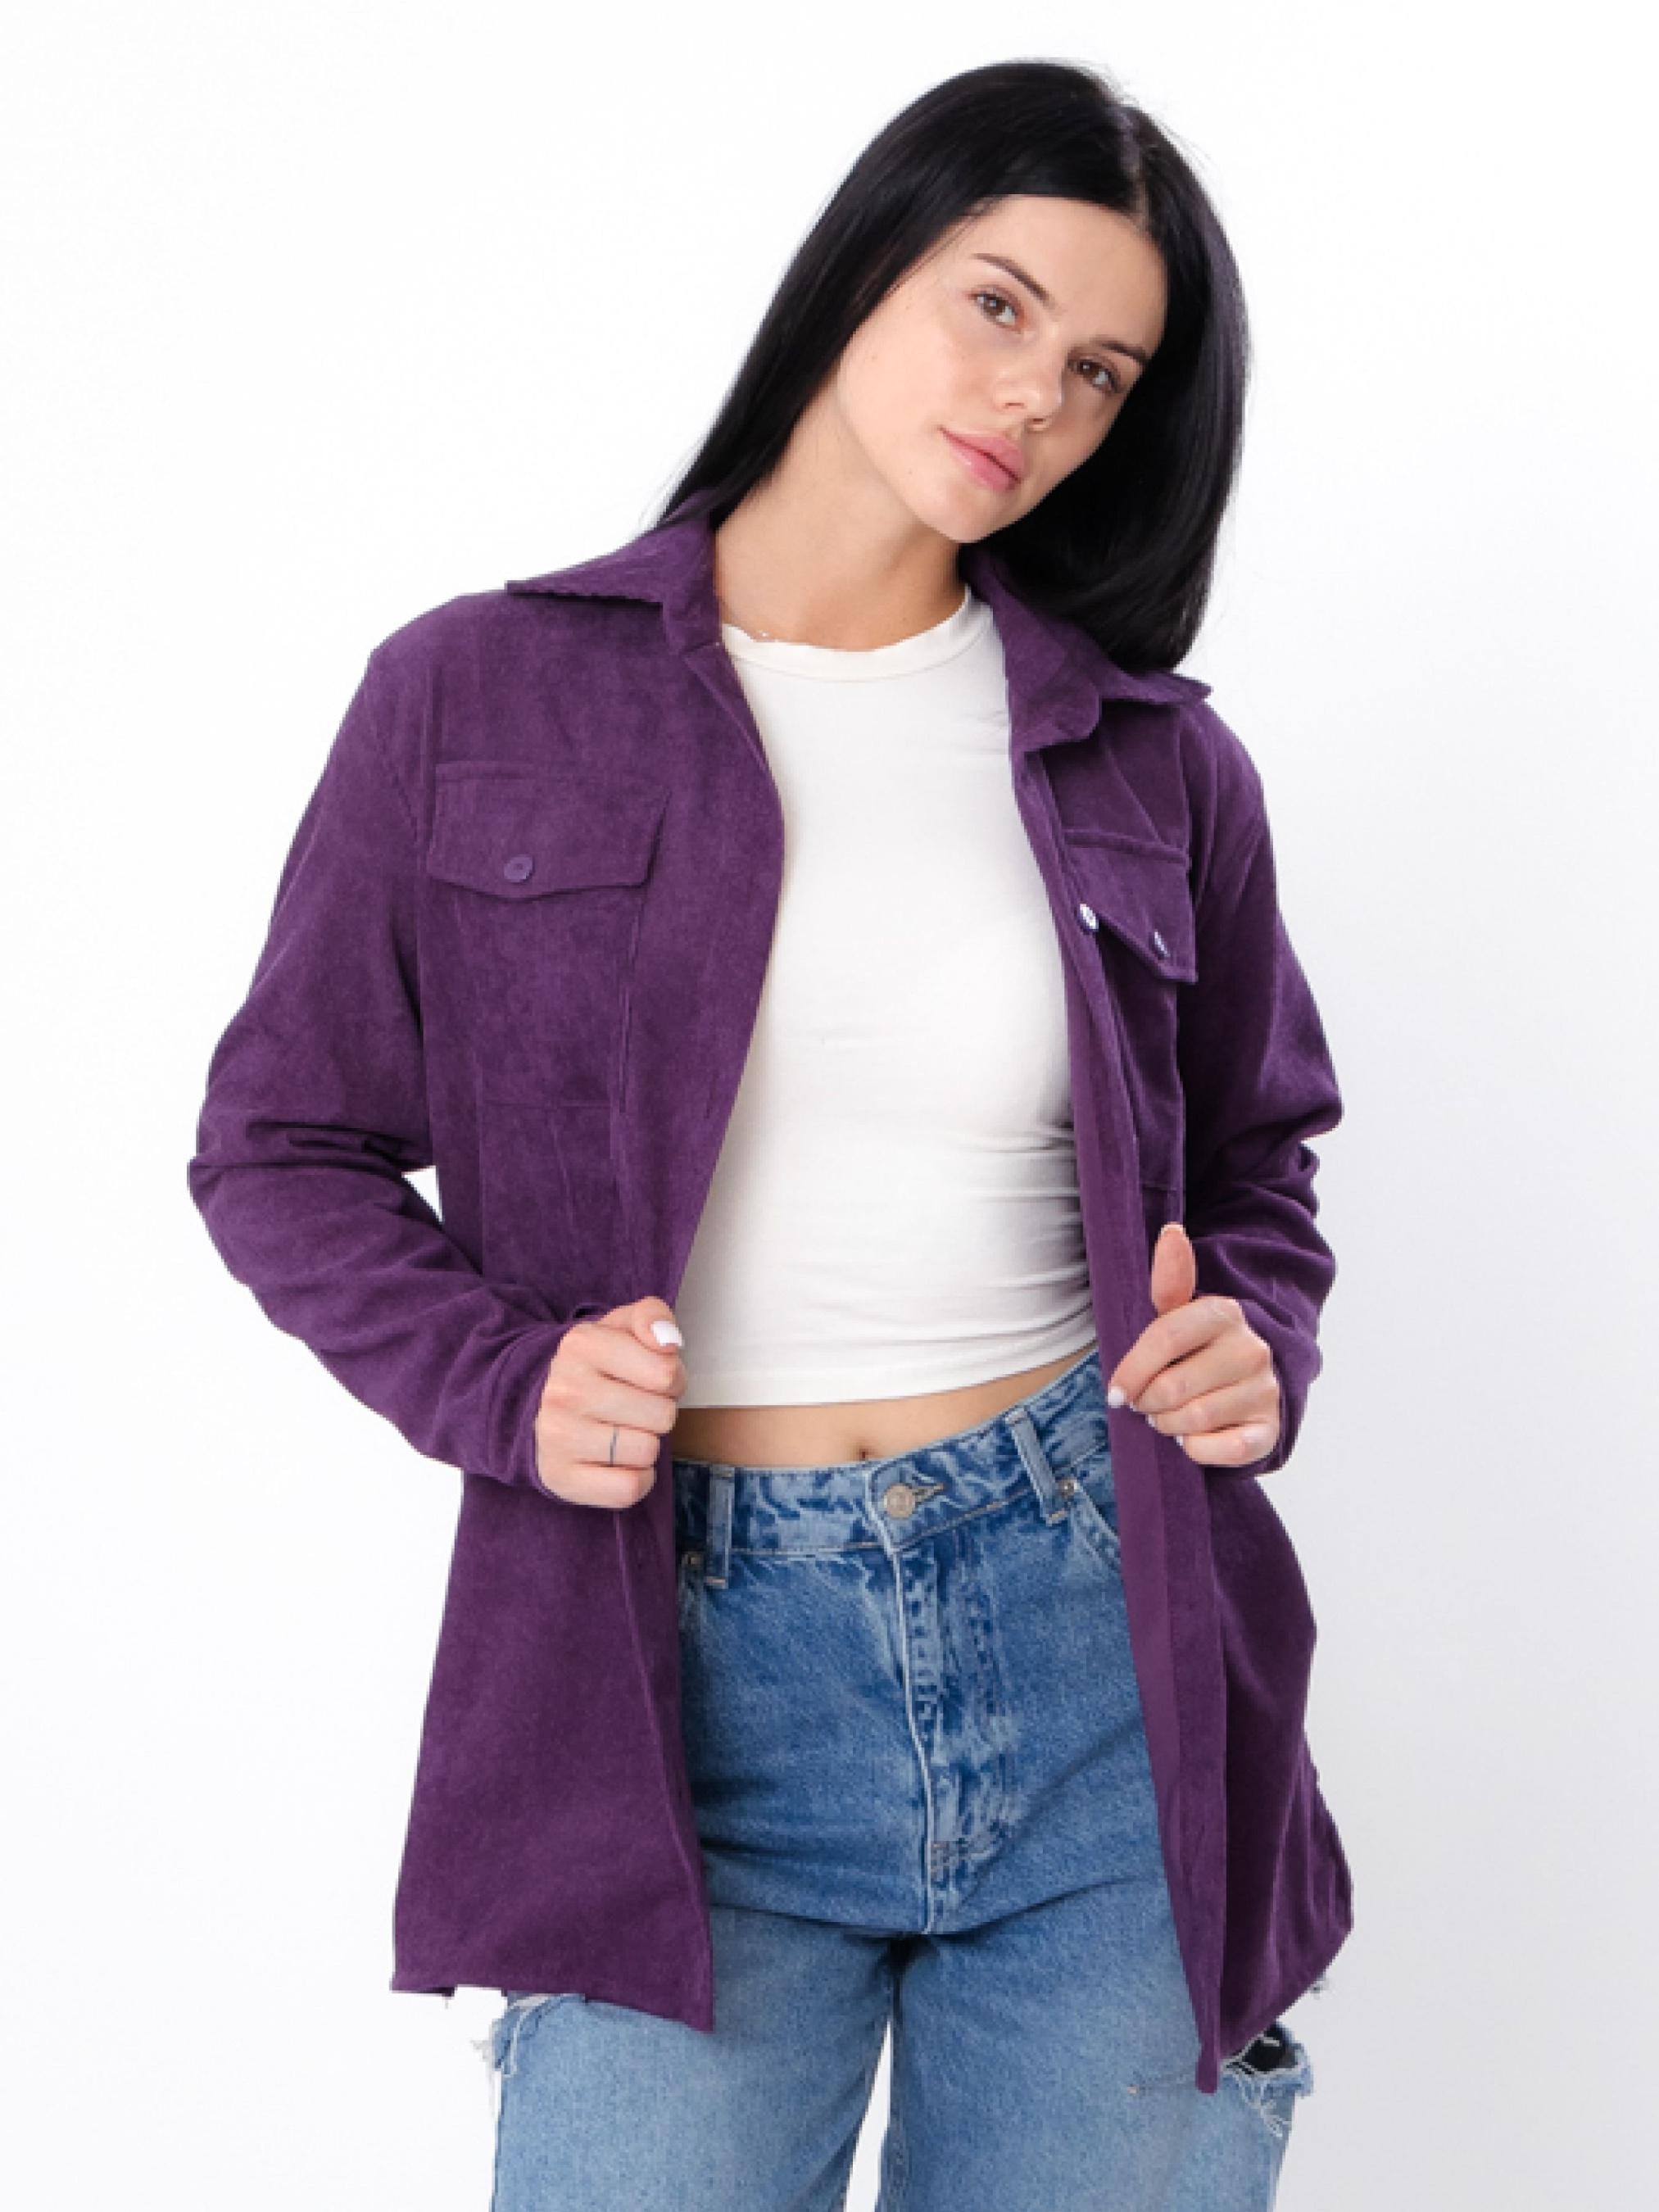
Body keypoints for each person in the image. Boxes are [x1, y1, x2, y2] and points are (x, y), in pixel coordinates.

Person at [188, 56, 1349, 2210]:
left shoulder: (1150, 758)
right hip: (663, 1683)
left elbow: (1256, 1159)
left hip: (1101, 1644)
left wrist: (1251, 1333)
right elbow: (280, 1142)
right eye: (998, 305)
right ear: (862, 264)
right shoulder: (477, 690)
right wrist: (505, 1382)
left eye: (1101, 372)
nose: (1036, 396)